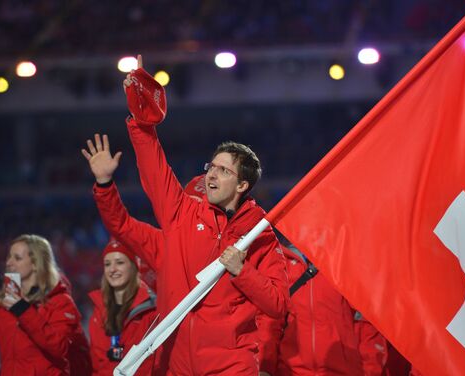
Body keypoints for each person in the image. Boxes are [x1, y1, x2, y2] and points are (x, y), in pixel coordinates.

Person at [83, 54, 289, 375]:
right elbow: (154, 167)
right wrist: (140, 120)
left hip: (231, 365)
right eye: (212, 167)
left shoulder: (258, 233)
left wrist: (242, 271)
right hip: (174, 362)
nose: (212, 175)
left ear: (242, 184)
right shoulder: (181, 212)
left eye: (224, 170)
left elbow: (277, 304)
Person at [0, 234, 87, 375]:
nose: (9, 263)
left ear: (36, 264)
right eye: (9, 257)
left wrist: (23, 310)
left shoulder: (60, 302)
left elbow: (58, 348)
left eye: (17, 258)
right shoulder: (3, 305)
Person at [275, 244, 388, 375]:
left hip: (341, 371)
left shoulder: (346, 264)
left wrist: (370, 371)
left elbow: (369, 325)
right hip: (289, 371)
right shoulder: (280, 259)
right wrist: (265, 368)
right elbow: (269, 323)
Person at [88, 239, 158, 375]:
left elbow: (149, 363)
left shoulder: (149, 309)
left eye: (120, 262)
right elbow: (97, 364)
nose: (112, 269)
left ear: (134, 266)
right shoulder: (99, 309)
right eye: (107, 264)